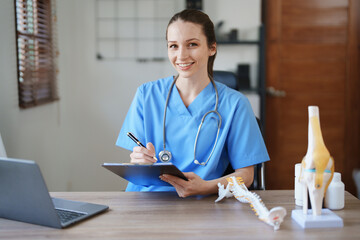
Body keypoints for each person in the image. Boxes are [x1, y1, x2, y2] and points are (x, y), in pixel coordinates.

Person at [116, 9, 269, 197]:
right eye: (173, 46)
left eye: (192, 44)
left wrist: (206, 187)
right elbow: (136, 160)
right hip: (145, 200)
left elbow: (246, 175)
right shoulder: (146, 94)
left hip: (201, 203)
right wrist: (138, 160)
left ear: (212, 48)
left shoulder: (235, 104)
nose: (181, 56)